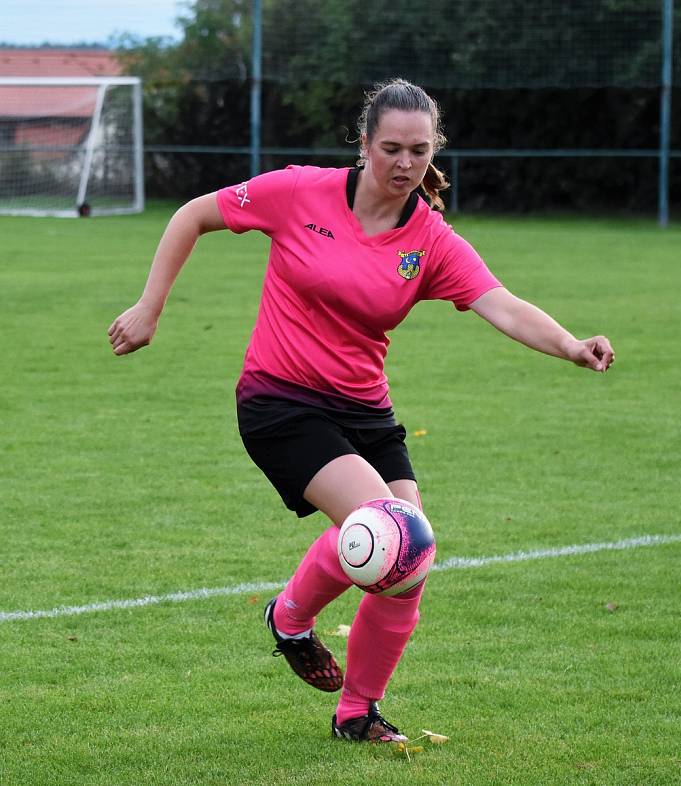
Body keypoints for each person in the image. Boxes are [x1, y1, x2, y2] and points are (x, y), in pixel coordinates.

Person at [108, 78, 615, 744]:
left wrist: (572, 346)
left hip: (365, 411)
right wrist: (151, 306)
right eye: (391, 148)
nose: (405, 164)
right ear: (364, 144)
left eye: (419, 150)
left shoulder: (429, 241)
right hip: (279, 399)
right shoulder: (298, 192)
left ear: (434, 149)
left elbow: (504, 303)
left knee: (413, 561)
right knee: (391, 532)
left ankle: (356, 713)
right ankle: (290, 620)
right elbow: (192, 215)